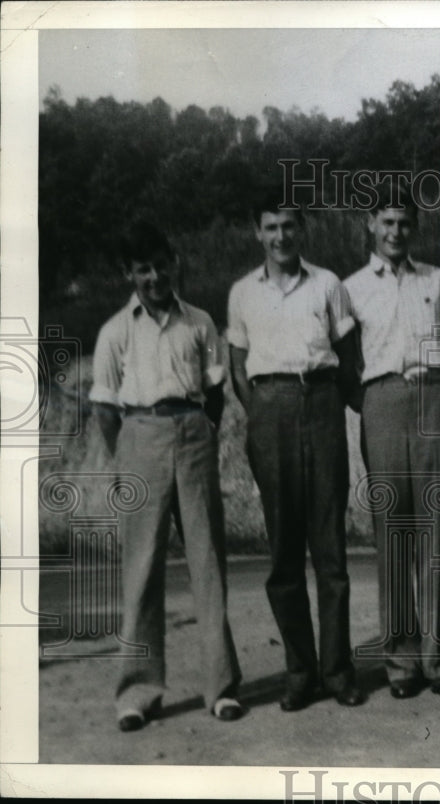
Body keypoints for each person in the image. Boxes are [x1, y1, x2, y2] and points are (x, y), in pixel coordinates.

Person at [91, 220, 243, 731]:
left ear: (174, 262)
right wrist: (132, 453)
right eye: (142, 268)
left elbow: (216, 393)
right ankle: (138, 690)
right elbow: (106, 410)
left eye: (160, 264)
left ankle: (220, 687)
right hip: (139, 436)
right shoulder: (115, 331)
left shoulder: (199, 322)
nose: (154, 276)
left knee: (208, 562)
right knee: (141, 569)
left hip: (193, 433)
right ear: (128, 274)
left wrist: (197, 430)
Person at [227, 187, 364, 710]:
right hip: (271, 409)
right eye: (270, 227)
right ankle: (299, 671)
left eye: (288, 225)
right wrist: (264, 410)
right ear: (257, 232)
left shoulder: (327, 284)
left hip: (321, 402)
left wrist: (322, 398)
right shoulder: (242, 292)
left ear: (300, 228)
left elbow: (348, 355)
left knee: (330, 546)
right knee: (284, 550)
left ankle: (337, 670)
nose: (280, 235)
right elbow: (238, 367)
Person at [343, 179, 440, 698]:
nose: (396, 231)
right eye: (386, 222)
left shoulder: (437, 279)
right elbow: (347, 364)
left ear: (415, 227)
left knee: (434, 533)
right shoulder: (351, 287)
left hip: (434, 396)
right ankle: (400, 662)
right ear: (370, 226)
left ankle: (437, 660)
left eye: (404, 222)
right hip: (383, 401)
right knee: (393, 533)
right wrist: (375, 404)